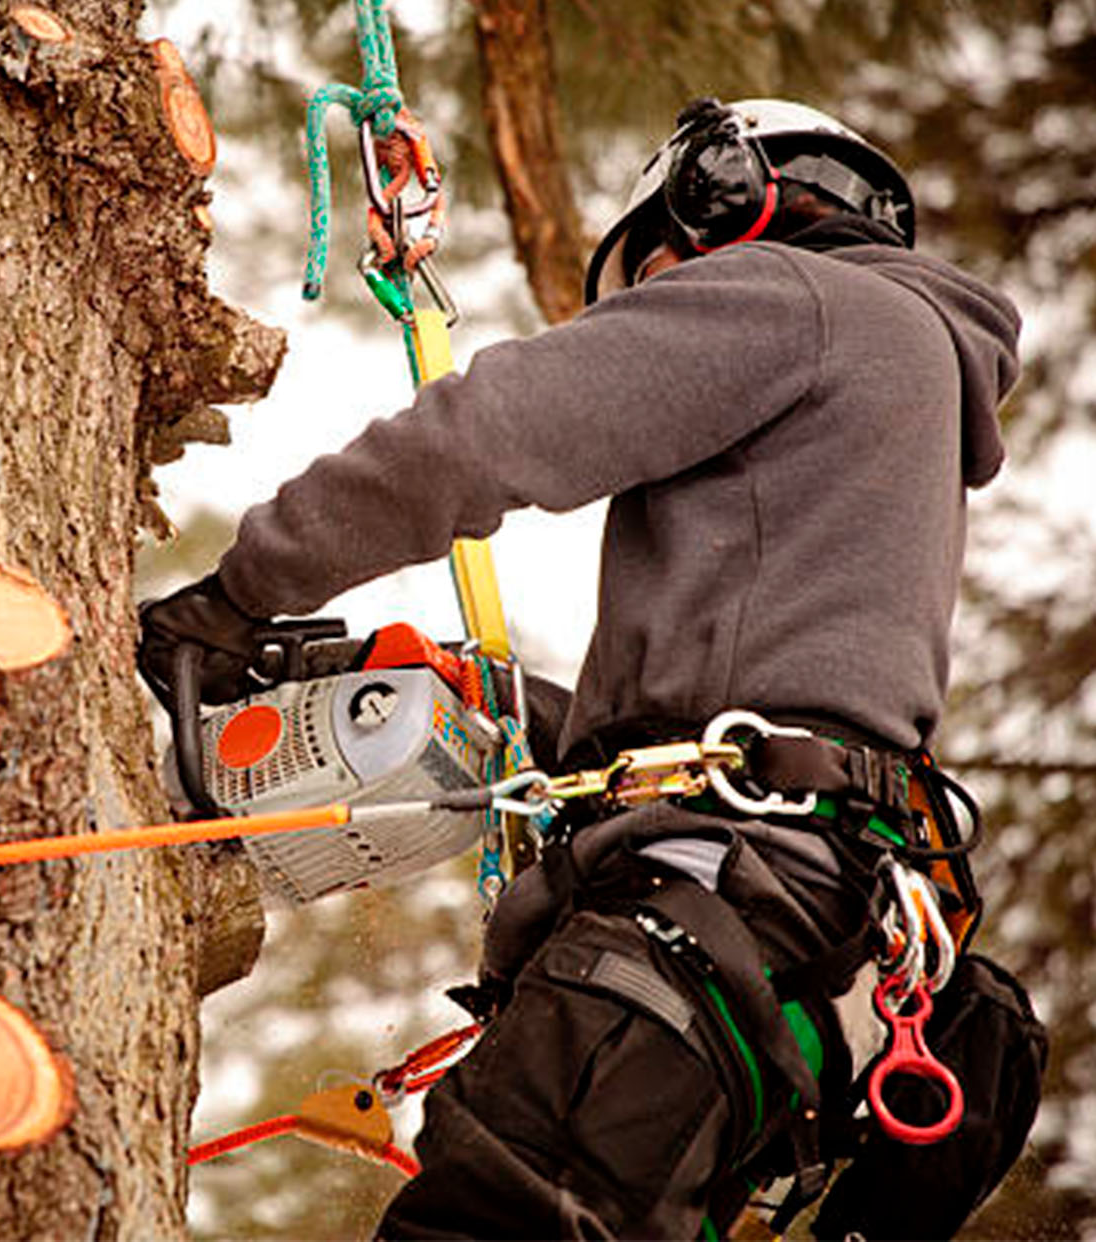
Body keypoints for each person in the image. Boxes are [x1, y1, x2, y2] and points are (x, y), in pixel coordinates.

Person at [140, 98, 1045, 1238]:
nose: (655, 309)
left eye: (656, 277)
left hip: (696, 919)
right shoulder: (901, 378)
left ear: (729, 199)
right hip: (794, 949)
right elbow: (769, 714)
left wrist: (235, 595)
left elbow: (486, 436)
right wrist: (497, 702)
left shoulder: (792, 294)